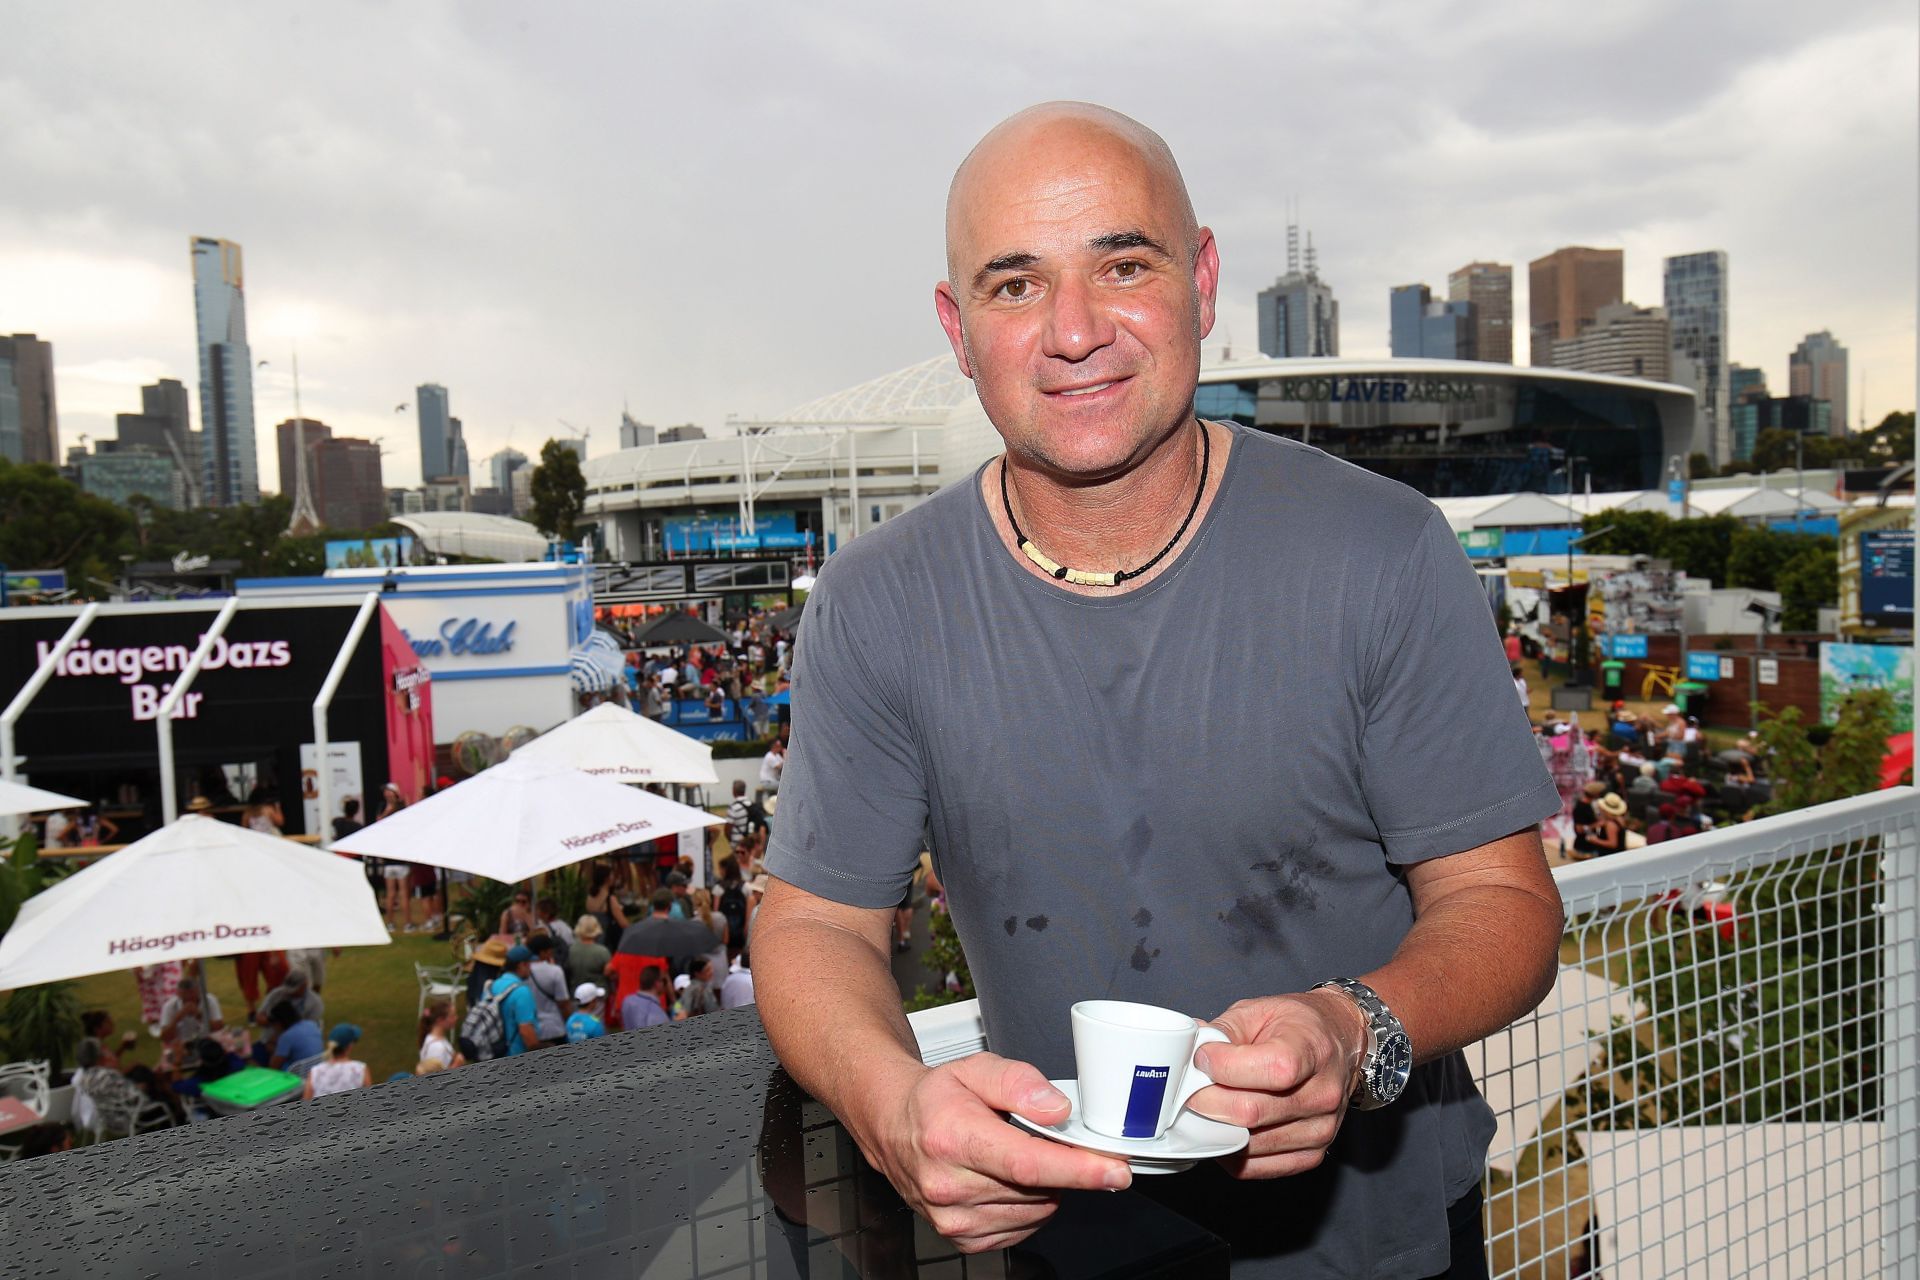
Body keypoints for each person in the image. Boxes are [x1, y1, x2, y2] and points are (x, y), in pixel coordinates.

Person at [750, 103, 1564, 1276]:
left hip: (1380, 1244)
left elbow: (1503, 900)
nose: (1075, 331)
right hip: (1066, 1237)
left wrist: (1354, 1026)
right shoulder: (878, 603)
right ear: (958, 327)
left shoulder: (1381, 548)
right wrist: (891, 1104)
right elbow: (816, 920)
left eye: (1123, 265)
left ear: (1204, 280)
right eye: (1015, 285)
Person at [491, 945, 541, 1056]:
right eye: (529, 964)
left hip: (496, 1053)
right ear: (521, 965)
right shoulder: (522, 991)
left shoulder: (493, 985)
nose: (530, 968)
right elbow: (526, 1030)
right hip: (517, 1057)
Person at [524, 934, 573, 1044]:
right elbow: (563, 1003)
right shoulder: (555, 971)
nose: (552, 954)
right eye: (550, 951)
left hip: (533, 1030)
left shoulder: (523, 971)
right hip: (555, 1027)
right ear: (543, 952)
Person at [302, 1024, 372, 1099]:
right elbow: (370, 1100)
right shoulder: (360, 1070)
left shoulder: (315, 1072)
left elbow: (306, 1102)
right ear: (350, 1046)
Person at [158, 980, 224, 1059]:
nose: (189, 1001)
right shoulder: (169, 1007)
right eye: (185, 998)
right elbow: (165, 1037)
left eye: (192, 997)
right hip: (182, 1049)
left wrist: (200, 1016)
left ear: (198, 992)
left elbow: (219, 1027)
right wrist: (177, 1019)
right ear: (178, 994)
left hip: (208, 1044)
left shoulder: (209, 1000)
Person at [265, 1000, 324, 1071]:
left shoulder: (287, 1036)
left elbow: (274, 1066)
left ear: (279, 1022)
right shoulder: (311, 1024)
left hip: (298, 1074)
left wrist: (272, 1046)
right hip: (317, 1069)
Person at [568, 914, 613, 989]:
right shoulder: (603, 952)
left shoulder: (571, 949)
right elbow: (610, 974)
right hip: (597, 993)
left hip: (576, 992)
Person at [418, 997, 464, 1070]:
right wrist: (456, 1065)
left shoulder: (434, 1037)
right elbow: (436, 1079)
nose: (456, 1018)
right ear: (440, 1020)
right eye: (452, 1016)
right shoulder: (437, 1049)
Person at [619, 966, 671, 1030]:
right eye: (664, 981)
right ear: (657, 983)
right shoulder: (656, 1012)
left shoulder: (627, 1001)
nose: (666, 984)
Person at [536, 897, 575, 965]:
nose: (537, 913)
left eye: (538, 910)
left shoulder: (541, 929)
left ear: (546, 914)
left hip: (549, 962)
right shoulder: (565, 926)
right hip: (566, 962)